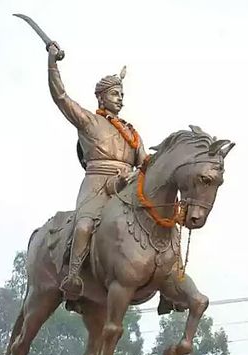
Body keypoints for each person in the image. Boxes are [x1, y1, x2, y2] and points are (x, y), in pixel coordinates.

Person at [48, 43, 147, 300]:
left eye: (122, 94)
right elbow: (61, 98)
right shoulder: (89, 121)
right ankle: (73, 278)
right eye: (115, 94)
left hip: (127, 187)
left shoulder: (132, 132)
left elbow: (145, 163)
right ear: (101, 97)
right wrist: (52, 64)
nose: (120, 98)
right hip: (97, 185)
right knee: (83, 227)